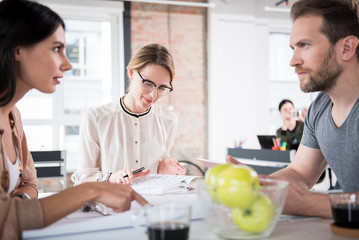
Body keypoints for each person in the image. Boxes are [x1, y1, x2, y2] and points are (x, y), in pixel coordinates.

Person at [0, 0, 147, 238]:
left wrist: (19, 205)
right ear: (17, 49)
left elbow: (29, 185)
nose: (67, 64)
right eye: (56, 49)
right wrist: (91, 190)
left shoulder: (12, 115)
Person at [228, 0, 359, 218]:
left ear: (346, 48)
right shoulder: (319, 108)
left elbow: (302, 195)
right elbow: (300, 173)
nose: (293, 61)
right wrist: (262, 184)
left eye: (305, 45)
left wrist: (304, 203)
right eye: (292, 48)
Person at [77, 43, 185, 184]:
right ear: (131, 73)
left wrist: (166, 171)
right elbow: (82, 181)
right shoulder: (95, 118)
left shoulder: (169, 121)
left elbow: (159, 177)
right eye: (147, 83)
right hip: (108, 205)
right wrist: (111, 178)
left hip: (151, 205)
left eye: (162, 87)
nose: (153, 95)